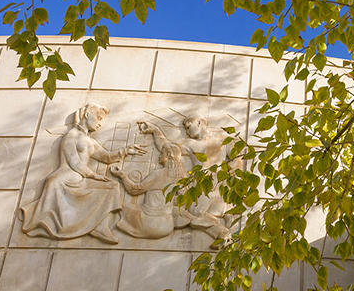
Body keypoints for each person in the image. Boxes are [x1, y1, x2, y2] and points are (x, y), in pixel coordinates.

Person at [21, 103, 145, 244]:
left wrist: (126, 151)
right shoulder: (71, 136)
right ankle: (98, 227)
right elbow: (74, 162)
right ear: (87, 115)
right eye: (98, 118)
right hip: (65, 180)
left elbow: (106, 156)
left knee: (113, 186)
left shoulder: (89, 141)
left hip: (79, 179)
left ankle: (101, 227)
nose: (100, 123)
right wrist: (93, 175)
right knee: (111, 186)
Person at [137, 113, 238, 240]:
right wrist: (155, 131)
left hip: (216, 181)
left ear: (199, 123)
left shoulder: (223, 139)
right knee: (187, 210)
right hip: (198, 183)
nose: (187, 131)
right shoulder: (189, 144)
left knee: (194, 211)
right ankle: (223, 215)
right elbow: (167, 147)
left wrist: (231, 179)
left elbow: (236, 160)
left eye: (189, 127)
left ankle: (223, 218)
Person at [110, 143, 191, 239]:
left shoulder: (158, 174)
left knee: (116, 205)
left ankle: (103, 230)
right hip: (167, 226)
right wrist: (167, 202)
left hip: (148, 223)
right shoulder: (181, 176)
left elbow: (134, 190)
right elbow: (186, 199)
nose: (159, 156)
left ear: (168, 155)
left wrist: (121, 175)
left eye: (162, 153)